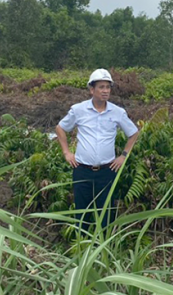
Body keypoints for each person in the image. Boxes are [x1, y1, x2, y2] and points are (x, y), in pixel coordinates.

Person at [55, 68, 139, 231]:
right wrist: (66, 152)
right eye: (101, 87)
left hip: (107, 171)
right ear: (91, 89)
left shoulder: (117, 112)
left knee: (106, 215)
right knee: (82, 215)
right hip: (81, 170)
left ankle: (104, 252)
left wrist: (123, 156)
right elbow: (60, 128)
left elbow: (133, 133)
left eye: (108, 87)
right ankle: (83, 251)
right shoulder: (79, 110)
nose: (105, 91)